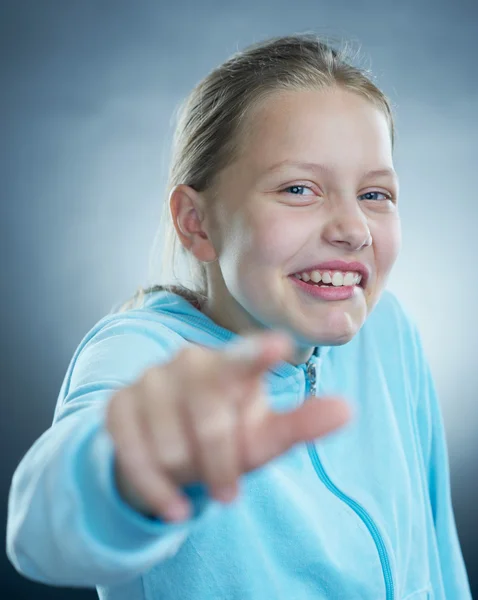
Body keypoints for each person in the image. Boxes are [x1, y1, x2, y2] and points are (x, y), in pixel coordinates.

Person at [6, 34, 472, 600]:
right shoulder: (141, 354)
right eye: (299, 188)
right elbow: (39, 530)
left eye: (376, 194)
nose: (354, 229)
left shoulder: (388, 332)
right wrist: (127, 475)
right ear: (197, 223)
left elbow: (440, 562)